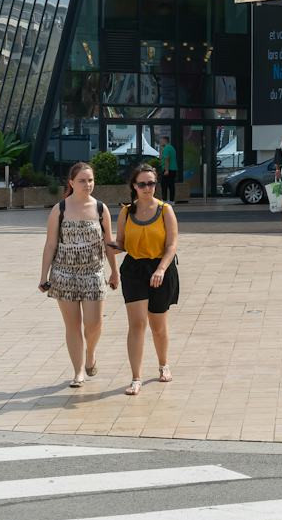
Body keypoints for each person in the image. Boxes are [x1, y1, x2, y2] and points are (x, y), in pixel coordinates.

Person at [38, 161, 117, 388]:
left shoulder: (100, 208)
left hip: (93, 273)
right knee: (72, 326)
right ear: (71, 182)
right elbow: (50, 244)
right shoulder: (60, 209)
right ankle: (78, 371)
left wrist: (115, 272)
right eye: (82, 180)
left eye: (90, 180)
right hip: (64, 274)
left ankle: (91, 353)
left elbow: (108, 243)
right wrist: (44, 276)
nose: (87, 184)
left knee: (94, 324)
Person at [112, 162, 180, 395]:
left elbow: (172, 245)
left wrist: (160, 269)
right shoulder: (126, 212)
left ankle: (163, 364)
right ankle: (136, 377)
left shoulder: (165, 210)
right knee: (137, 324)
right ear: (134, 186)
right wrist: (107, 248)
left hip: (160, 268)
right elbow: (121, 243)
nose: (147, 188)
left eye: (151, 183)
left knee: (158, 326)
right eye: (142, 184)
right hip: (134, 270)